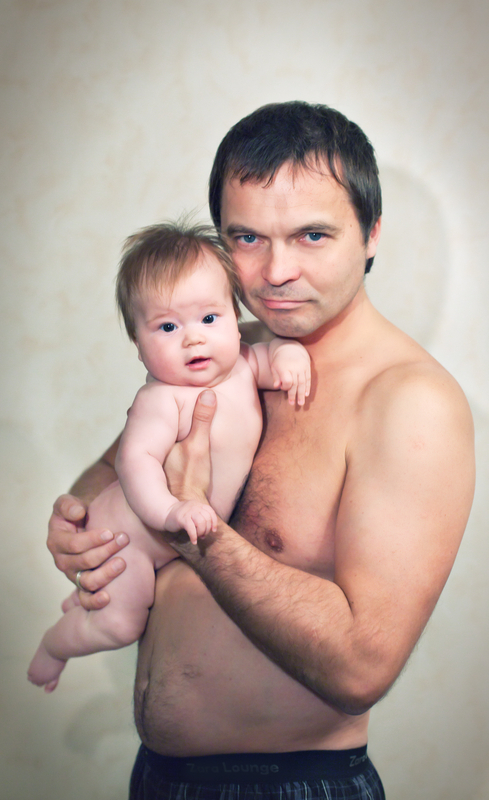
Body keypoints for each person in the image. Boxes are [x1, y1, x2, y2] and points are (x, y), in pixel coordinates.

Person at [46, 102, 475, 799]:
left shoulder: (408, 402)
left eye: (312, 235)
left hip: (292, 785)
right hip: (159, 776)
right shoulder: (222, 345)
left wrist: (195, 534)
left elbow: (361, 666)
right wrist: (80, 517)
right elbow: (120, 461)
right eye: (246, 237)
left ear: (370, 232)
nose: (275, 271)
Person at [28, 221, 311, 692]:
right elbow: (134, 463)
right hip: (129, 541)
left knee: (107, 601)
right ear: (138, 346)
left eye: (209, 318)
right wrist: (171, 511)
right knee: (120, 625)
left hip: (159, 542)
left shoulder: (242, 364)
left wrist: (288, 355)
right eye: (167, 327)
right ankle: (55, 646)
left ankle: (81, 608)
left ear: (235, 315)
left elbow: (269, 358)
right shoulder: (161, 400)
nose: (193, 339)